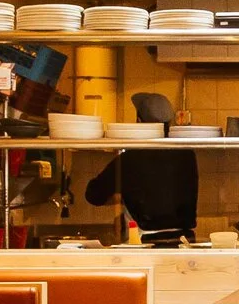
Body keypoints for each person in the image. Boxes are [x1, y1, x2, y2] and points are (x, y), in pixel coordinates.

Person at [84, 92, 197, 241]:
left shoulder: (130, 158)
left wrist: (120, 196)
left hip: (144, 242)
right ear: (169, 123)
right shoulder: (187, 154)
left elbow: (94, 195)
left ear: (139, 121)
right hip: (184, 241)